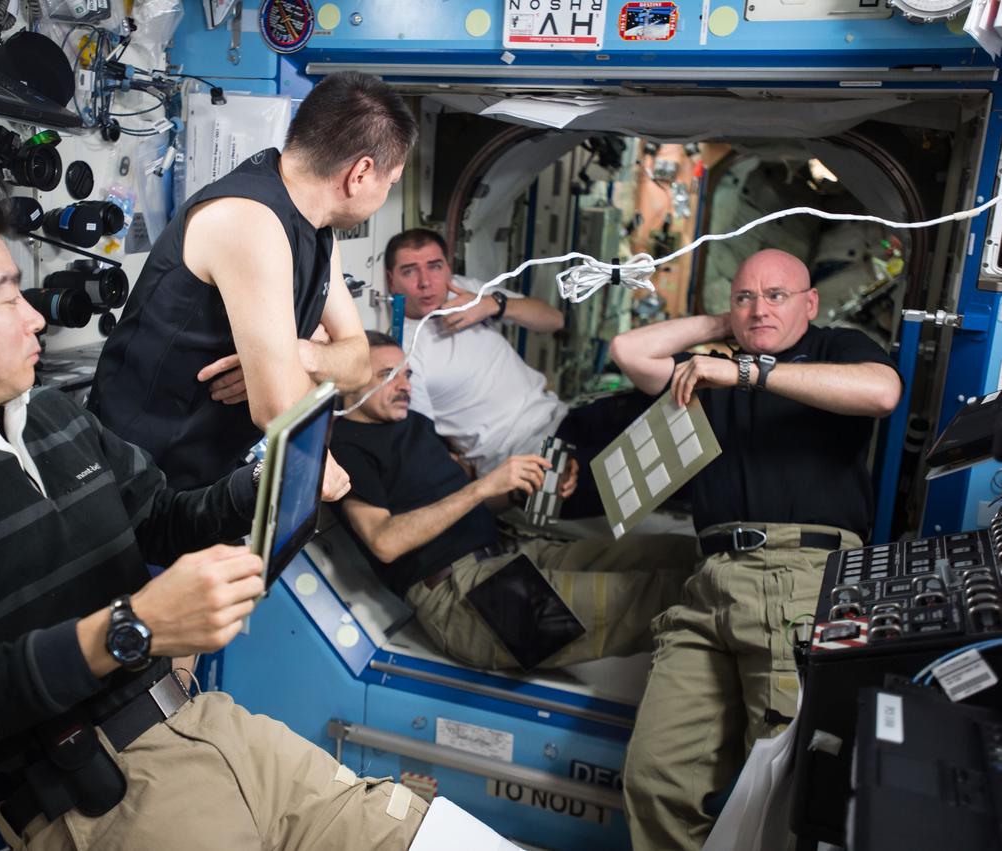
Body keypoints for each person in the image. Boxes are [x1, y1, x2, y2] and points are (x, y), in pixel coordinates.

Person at [0, 167, 426, 851]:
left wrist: (264, 485)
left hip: (218, 731)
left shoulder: (52, 416)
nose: (35, 315)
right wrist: (130, 628)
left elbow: (160, 517)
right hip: (109, 803)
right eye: (7, 297)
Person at [608, 248, 902, 850]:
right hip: (711, 580)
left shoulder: (834, 349)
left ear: (810, 304)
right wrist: (728, 328)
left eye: (777, 296)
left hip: (801, 574)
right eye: (746, 296)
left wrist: (750, 370)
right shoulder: (715, 364)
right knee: (655, 774)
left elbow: (882, 394)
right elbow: (629, 352)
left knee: (776, 787)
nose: (760, 308)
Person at [89, 71, 417, 493]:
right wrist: (324, 465)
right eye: (390, 183)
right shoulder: (249, 219)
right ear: (360, 174)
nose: (386, 193)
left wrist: (299, 356)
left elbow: (358, 364)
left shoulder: (317, 231)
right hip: (132, 480)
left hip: (197, 479)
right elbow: (277, 406)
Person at [330, 332, 695, 671]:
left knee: (683, 554)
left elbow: (463, 505)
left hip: (506, 556)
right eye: (387, 374)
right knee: (664, 594)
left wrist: (524, 487)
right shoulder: (346, 447)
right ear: (351, 380)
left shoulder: (416, 425)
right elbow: (384, 542)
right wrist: (483, 486)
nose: (404, 385)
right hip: (462, 599)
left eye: (406, 374)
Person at [383, 228, 570, 480]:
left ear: (448, 269)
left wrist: (494, 305)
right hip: (523, 456)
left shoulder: (464, 290)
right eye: (409, 271)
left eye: (435, 266)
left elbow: (554, 320)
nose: (425, 282)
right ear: (391, 280)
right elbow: (421, 441)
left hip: (558, 417)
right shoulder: (403, 350)